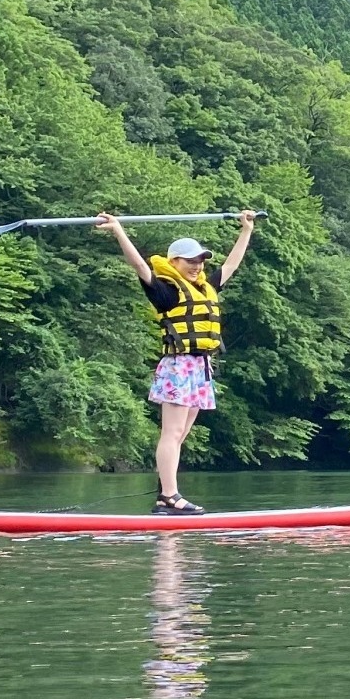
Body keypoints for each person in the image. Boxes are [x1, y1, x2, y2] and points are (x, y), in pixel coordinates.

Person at [96, 210, 256, 515]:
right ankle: (169, 496)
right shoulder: (165, 291)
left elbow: (232, 265)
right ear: (174, 263)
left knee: (181, 435)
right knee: (171, 433)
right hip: (178, 366)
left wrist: (246, 230)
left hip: (201, 367)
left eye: (200, 261)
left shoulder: (205, 288)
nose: (197, 266)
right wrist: (118, 230)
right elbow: (139, 264)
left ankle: (164, 493)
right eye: (190, 261)